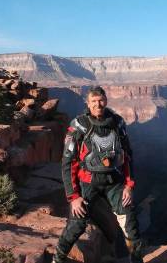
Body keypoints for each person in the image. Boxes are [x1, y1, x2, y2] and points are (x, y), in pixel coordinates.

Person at [53, 86, 144, 263]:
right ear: (88, 103)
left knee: (130, 223)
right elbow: (68, 163)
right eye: (93, 101)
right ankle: (58, 259)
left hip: (114, 183)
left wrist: (129, 186)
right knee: (76, 225)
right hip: (87, 183)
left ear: (106, 100)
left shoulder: (117, 123)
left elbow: (127, 156)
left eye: (101, 100)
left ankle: (137, 260)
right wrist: (74, 197)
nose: (98, 104)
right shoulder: (78, 126)